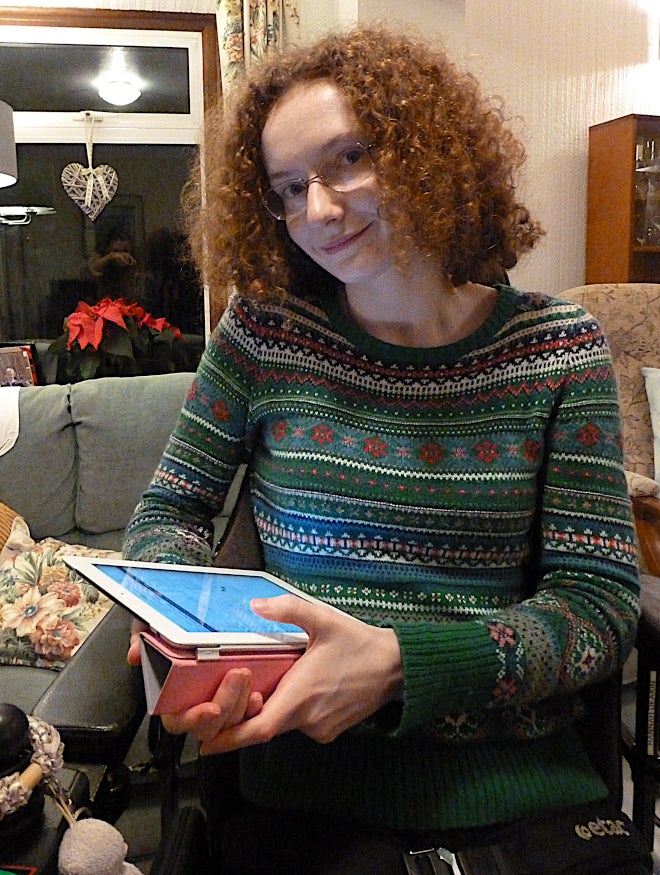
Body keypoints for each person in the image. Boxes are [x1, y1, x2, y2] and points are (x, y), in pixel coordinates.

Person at [122, 25, 641, 873]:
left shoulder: (558, 349)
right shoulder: (263, 333)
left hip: (517, 795)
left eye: (350, 158)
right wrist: (178, 618)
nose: (317, 211)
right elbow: (171, 510)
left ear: (429, 149)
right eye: (289, 188)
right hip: (302, 790)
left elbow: (600, 605)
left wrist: (400, 665)